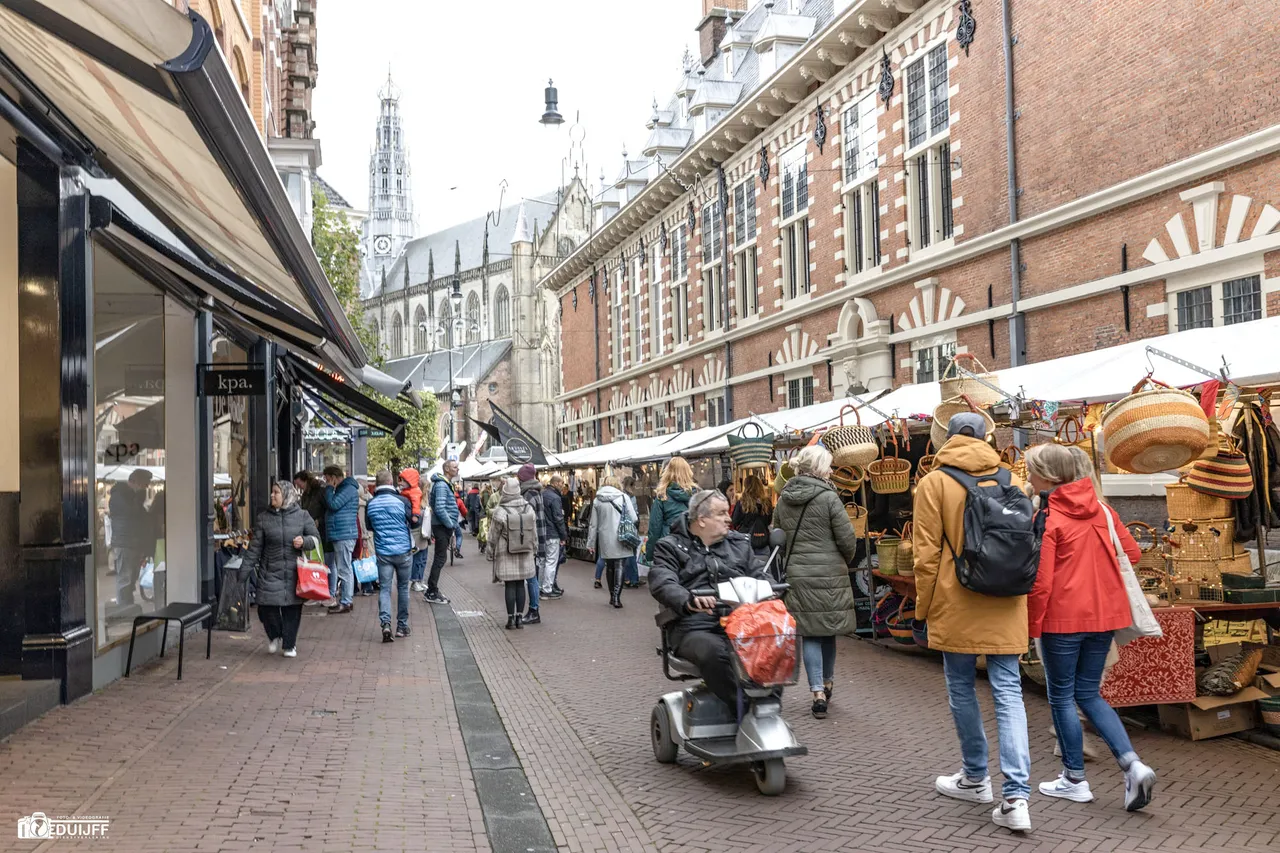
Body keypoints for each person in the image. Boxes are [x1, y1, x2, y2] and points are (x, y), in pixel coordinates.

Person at [913, 412, 1033, 833]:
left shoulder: (933, 483)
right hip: (1006, 601)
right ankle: (1017, 796)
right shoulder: (1012, 480)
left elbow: (925, 556)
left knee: (962, 688)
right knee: (1008, 693)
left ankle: (975, 777)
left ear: (946, 437)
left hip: (957, 599)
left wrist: (922, 611)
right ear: (986, 438)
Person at [1025, 443, 1158, 812]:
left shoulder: (1048, 516)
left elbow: (1041, 580)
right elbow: (1131, 554)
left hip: (1063, 618)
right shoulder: (1102, 509)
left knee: (1062, 696)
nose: (1028, 478)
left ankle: (1074, 779)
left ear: (1049, 477)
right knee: (1089, 694)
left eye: (1032, 471)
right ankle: (1132, 763)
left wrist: (1031, 625)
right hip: (1104, 616)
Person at [649, 490, 768, 707]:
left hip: (741, 624)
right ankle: (746, 708)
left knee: (775, 642)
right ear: (701, 520)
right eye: (721, 513)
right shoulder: (670, 546)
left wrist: (772, 590)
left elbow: (760, 575)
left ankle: (767, 706)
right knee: (716, 652)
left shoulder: (739, 544)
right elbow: (662, 581)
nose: (729, 518)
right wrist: (689, 599)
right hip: (694, 627)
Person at [773, 445, 859, 719]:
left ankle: (817, 691)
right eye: (829, 466)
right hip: (830, 573)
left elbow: (777, 534)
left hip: (798, 573)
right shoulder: (829, 498)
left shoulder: (784, 498)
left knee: (810, 632)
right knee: (828, 630)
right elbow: (847, 538)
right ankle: (829, 682)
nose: (832, 471)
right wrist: (844, 558)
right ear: (820, 469)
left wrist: (792, 558)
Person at [242, 481, 320, 658]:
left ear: (286, 495)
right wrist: (243, 572)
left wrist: (304, 541)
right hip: (270, 570)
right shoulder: (264, 518)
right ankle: (275, 635)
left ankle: (289, 645)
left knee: (292, 609)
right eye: (272, 492)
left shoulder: (302, 516)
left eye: (276, 492)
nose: (272, 495)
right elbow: (255, 548)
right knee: (265, 607)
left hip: (295, 572)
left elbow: (315, 539)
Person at [366, 470, 416, 642]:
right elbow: (413, 521)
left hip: (383, 552)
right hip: (403, 551)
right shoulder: (402, 501)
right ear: (390, 482)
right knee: (403, 588)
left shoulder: (371, 504)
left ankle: (385, 624)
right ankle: (402, 626)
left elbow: (370, 526)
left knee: (385, 589)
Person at [490, 477, 538, 629]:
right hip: (525, 550)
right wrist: (534, 548)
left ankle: (510, 619)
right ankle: (519, 618)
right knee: (521, 584)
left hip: (506, 551)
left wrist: (490, 551)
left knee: (510, 584)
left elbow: (493, 535)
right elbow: (534, 532)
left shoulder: (500, 511)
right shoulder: (528, 508)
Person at [586, 475, 636, 608]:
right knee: (620, 566)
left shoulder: (598, 500)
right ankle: (616, 597)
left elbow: (593, 524)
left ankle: (611, 595)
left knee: (610, 567)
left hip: (604, 537)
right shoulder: (624, 497)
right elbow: (634, 517)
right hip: (622, 535)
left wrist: (590, 543)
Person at [108, 468, 153, 615]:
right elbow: (131, 514)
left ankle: (127, 607)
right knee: (125, 579)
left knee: (130, 579)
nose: (145, 488)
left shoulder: (128, 496)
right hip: (125, 542)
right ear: (136, 482)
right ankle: (123, 611)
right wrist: (139, 498)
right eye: (144, 485)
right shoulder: (119, 495)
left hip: (132, 542)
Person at [644, 457, 695, 566]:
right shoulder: (697, 496)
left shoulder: (662, 497)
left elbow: (655, 529)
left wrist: (650, 554)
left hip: (668, 546)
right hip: (692, 546)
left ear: (667, 473)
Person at [322, 465, 359, 614]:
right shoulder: (345, 488)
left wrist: (330, 489)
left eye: (328, 479)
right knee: (344, 567)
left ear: (334, 477)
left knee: (344, 569)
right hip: (341, 533)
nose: (326, 482)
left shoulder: (347, 489)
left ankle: (345, 601)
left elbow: (334, 504)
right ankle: (346, 600)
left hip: (344, 534)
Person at [424, 461, 460, 605]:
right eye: (454, 467)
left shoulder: (443, 484)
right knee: (440, 558)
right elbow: (439, 508)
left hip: (442, 525)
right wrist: (450, 524)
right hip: (442, 526)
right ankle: (432, 591)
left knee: (441, 558)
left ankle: (432, 589)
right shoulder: (441, 485)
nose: (457, 469)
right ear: (446, 469)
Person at [293, 470, 331, 605]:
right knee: (311, 560)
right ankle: (314, 590)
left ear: (306, 481)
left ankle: (323, 590)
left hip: (320, 530)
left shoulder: (320, 492)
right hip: (309, 529)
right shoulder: (306, 495)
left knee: (321, 560)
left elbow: (327, 509)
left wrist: (319, 520)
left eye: (300, 484)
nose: (299, 488)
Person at [517, 464, 548, 625]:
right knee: (532, 576)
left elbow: (526, 520)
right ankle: (533, 609)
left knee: (531, 577)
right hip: (537, 539)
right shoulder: (537, 492)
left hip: (530, 540)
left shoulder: (528, 495)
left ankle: (534, 610)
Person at [397, 468, 429, 593]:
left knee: (419, 556)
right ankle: (416, 580)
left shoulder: (405, 494)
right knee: (420, 556)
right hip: (418, 529)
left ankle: (417, 580)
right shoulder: (415, 494)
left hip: (414, 528)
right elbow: (415, 508)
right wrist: (416, 516)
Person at [731, 472, 774, 557]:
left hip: (745, 541)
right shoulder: (767, 503)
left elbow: (734, 521)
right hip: (762, 540)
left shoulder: (742, 503)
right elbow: (769, 521)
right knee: (763, 568)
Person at [541, 474, 570, 598]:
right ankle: (547, 589)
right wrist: (564, 536)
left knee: (543, 561)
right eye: (562, 483)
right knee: (551, 562)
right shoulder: (555, 497)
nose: (563, 486)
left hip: (542, 532)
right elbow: (558, 518)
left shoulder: (542, 494)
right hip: (553, 533)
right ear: (556, 483)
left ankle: (541, 586)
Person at [356, 477, 378, 596]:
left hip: (362, 534)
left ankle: (364, 585)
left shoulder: (358, 502)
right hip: (367, 535)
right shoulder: (368, 502)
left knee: (362, 559)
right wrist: (365, 536)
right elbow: (363, 521)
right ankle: (367, 586)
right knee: (367, 560)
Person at [453, 487, 468, 557]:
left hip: (444, 521)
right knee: (459, 535)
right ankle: (457, 549)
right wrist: (465, 516)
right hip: (454, 520)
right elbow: (464, 511)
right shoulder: (458, 500)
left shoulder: (445, 498)